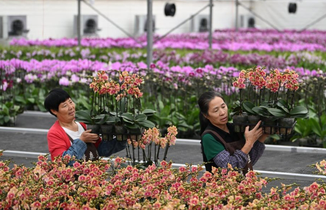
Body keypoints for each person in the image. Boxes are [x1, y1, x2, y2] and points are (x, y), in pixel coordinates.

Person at [44, 88, 126, 163]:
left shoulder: (83, 124)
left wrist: (122, 137)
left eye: (70, 102)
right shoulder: (54, 133)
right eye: (65, 105)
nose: (71, 107)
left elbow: (102, 150)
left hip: (94, 177)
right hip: (74, 179)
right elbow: (62, 163)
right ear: (54, 111)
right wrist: (81, 141)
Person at [198, 91, 268, 174]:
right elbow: (229, 168)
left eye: (223, 107)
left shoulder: (235, 128)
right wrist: (249, 143)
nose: (222, 113)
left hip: (241, 185)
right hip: (221, 186)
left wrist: (263, 135)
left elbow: (247, 161)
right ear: (206, 115)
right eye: (216, 110)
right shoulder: (209, 137)